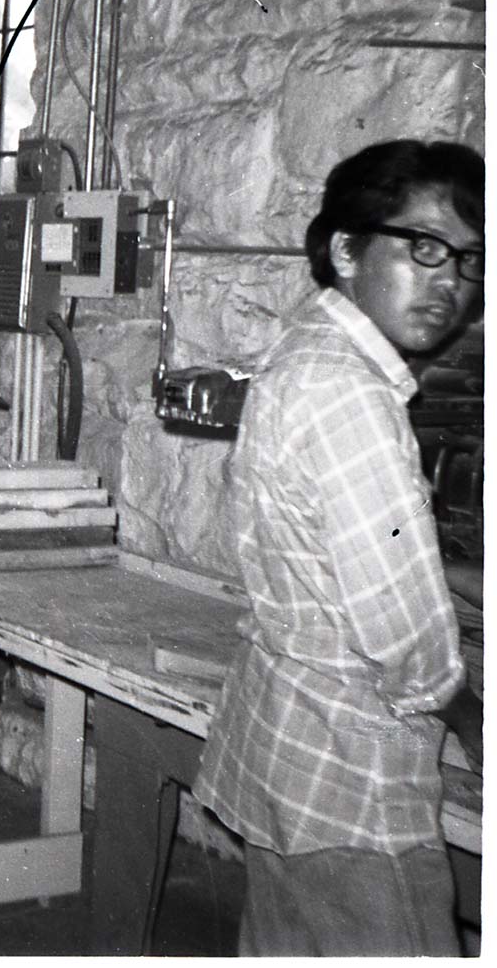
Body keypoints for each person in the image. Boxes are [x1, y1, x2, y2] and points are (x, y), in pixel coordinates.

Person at [192, 139, 484, 956]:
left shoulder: (306, 354)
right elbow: (401, 635)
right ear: (346, 248)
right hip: (355, 787)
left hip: (295, 756)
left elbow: (343, 540)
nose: (448, 283)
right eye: (422, 248)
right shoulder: (353, 395)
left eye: (467, 259)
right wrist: (467, 707)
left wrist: (448, 572)